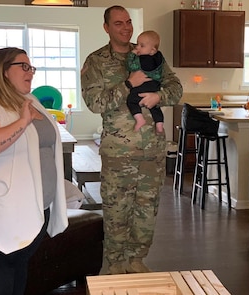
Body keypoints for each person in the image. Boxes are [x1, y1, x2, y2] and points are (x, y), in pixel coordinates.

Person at [81, 5, 183, 275]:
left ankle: (137, 259)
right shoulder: (97, 61)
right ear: (107, 28)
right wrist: (128, 83)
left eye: (128, 22)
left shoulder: (151, 53)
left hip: (152, 152)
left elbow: (176, 87)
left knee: (147, 211)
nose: (126, 27)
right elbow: (94, 102)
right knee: (116, 213)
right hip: (119, 153)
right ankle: (115, 265)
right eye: (118, 23)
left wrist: (159, 97)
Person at [0, 47, 68, 295]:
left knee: (20, 263)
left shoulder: (29, 101)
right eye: (24, 66)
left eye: (31, 67)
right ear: (3, 71)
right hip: (7, 205)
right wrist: (23, 121)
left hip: (37, 203)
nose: (30, 72)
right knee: (6, 264)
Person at [126, 30, 165, 134]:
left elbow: (130, 66)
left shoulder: (141, 59)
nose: (137, 47)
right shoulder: (159, 58)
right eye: (137, 44)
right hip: (154, 87)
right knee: (155, 107)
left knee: (132, 100)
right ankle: (160, 124)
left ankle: (139, 119)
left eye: (141, 46)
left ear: (152, 50)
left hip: (141, 88)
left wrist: (132, 55)